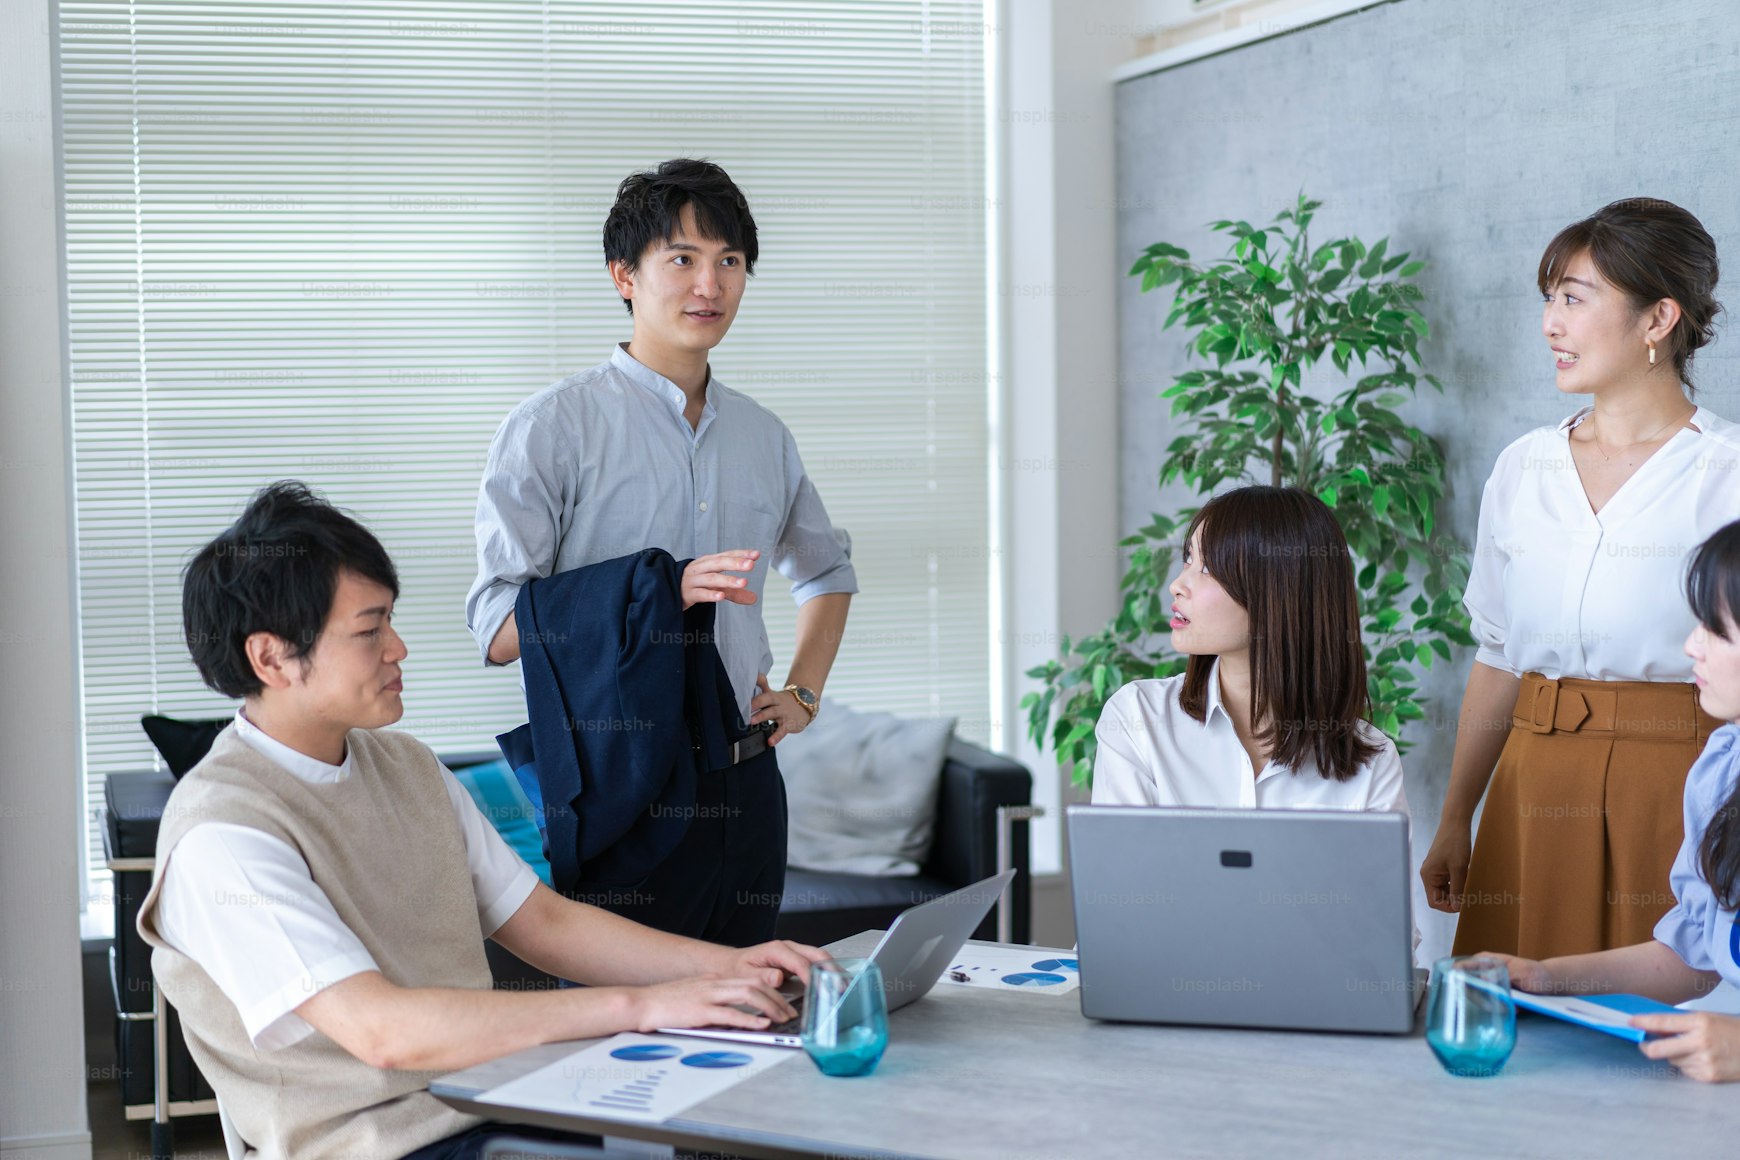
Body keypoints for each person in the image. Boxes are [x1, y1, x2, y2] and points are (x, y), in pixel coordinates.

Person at [138, 482, 827, 1160]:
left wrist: (737, 967)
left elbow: (546, 925)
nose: (398, 649)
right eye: (369, 630)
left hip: (503, 1104)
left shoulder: (404, 765)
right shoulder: (223, 836)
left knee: (751, 1110)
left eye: (391, 622)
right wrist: (646, 1005)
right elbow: (383, 1033)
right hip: (383, 1144)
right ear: (271, 657)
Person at [466, 158, 856, 941]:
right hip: (622, 787)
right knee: (632, 1042)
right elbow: (498, 627)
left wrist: (804, 695)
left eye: (730, 262)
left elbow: (825, 571)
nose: (708, 285)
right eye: (681, 259)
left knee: (752, 1028)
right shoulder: (552, 428)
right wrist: (655, 589)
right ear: (624, 275)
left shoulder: (763, 435)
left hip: (749, 784)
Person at [1421, 198, 1740, 959]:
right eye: (1548, 300)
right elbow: (1499, 654)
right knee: (1513, 1016)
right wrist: (1456, 814)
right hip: (1529, 788)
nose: (1549, 325)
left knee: (1646, 1034)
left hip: (1674, 787)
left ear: (1658, 319)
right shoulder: (1522, 467)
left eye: (1573, 298)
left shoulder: (1726, 472)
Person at [1485, 521, 1740, 1083]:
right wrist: (1549, 978)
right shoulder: (1722, 769)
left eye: (1717, 630)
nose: (1690, 647)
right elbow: (1692, 957)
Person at [1092, 486, 1407, 816]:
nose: (1177, 585)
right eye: (1188, 559)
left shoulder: (1373, 763)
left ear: (1280, 591)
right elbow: (1122, 866)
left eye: (1208, 568)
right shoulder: (1138, 719)